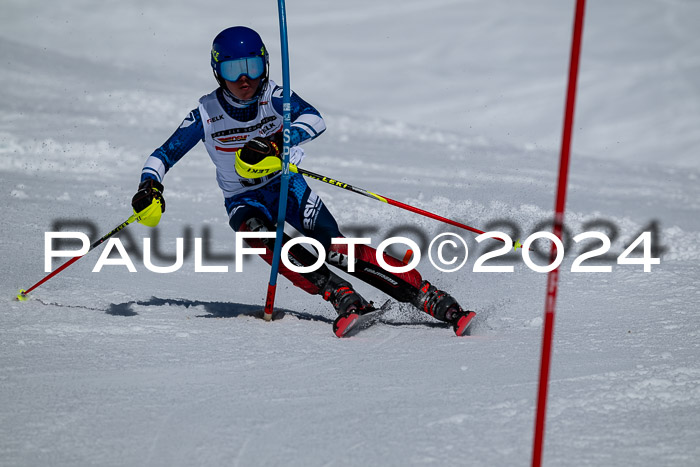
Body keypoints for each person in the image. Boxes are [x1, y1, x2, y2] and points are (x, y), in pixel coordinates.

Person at [131, 26, 475, 336]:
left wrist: (280, 140)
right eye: (232, 69)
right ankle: (342, 296)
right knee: (270, 242)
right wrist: (150, 185)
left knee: (336, 249)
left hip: (286, 186)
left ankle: (429, 297)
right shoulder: (206, 112)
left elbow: (315, 120)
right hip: (242, 199)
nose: (244, 78)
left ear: (264, 65)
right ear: (217, 71)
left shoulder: (274, 97)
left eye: (251, 66)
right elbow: (162, 155)